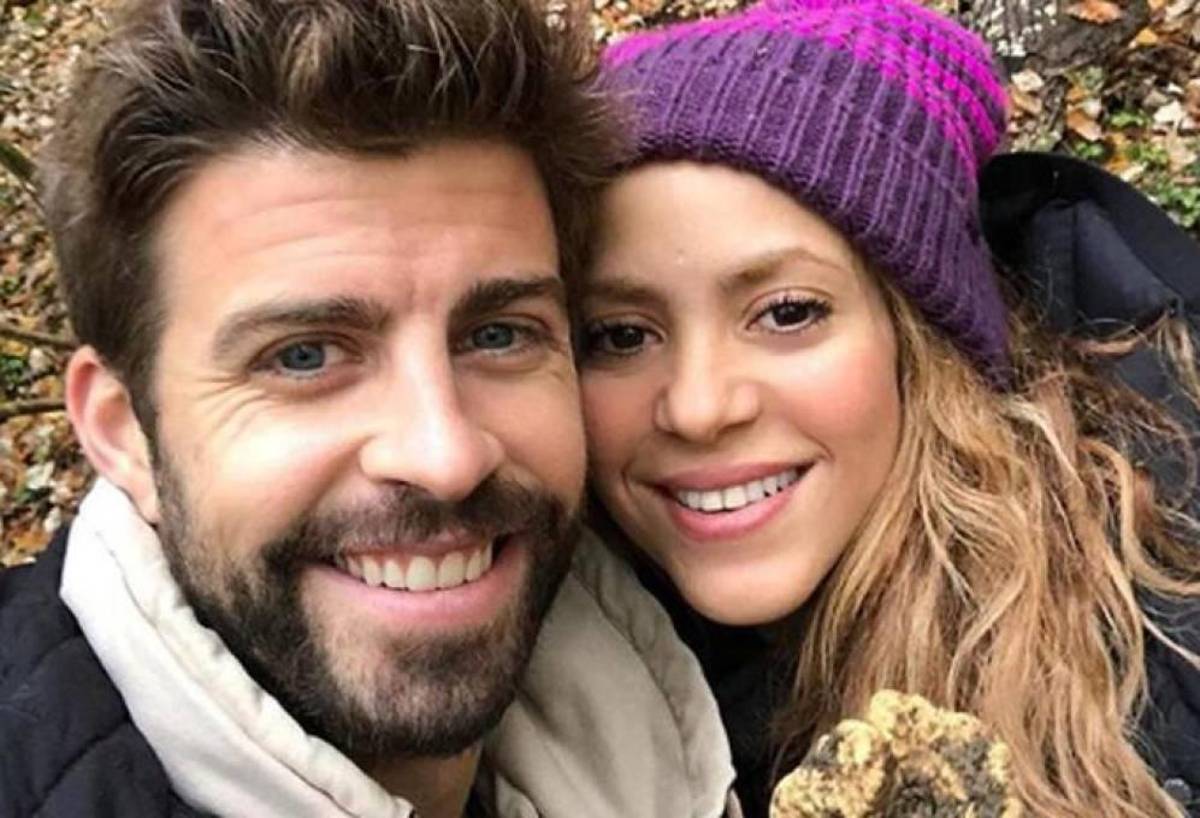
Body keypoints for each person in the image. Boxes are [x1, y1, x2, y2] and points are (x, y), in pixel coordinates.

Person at [0, 1, 739, 816]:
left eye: (498, 335)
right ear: (123, 431)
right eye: (305, 355)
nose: (445, 456)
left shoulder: (723, 677)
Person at [582, 1, 1200, 816]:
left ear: (922, 342)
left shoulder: (1170, 631)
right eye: (621, 334)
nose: (698, 409)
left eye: (788, 312)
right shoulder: (532, 662)